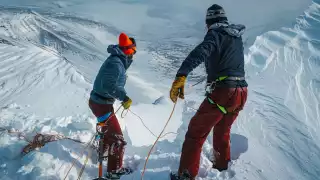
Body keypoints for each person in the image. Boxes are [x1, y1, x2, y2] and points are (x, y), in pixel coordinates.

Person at [169, 4, 248, 180]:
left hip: (223, 92)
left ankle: (186, 175)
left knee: (195, 133)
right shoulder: (235, 37)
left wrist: (181, 75)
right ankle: (221, 165)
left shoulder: (215, 34)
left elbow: (201, 52)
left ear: (209, 22)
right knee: (222, 128)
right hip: (241, 92)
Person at [88, 32, 136, 179]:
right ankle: (113, 171)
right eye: (133, 50)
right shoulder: (116, 63)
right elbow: (108, 85)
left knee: (111, 133)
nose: (133, 54)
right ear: (128, 50)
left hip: (101, 103)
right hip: (101, 104)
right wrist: (124, 97)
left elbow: (112, 84)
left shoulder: (118, 61)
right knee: (118, 138)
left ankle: (103, 154)